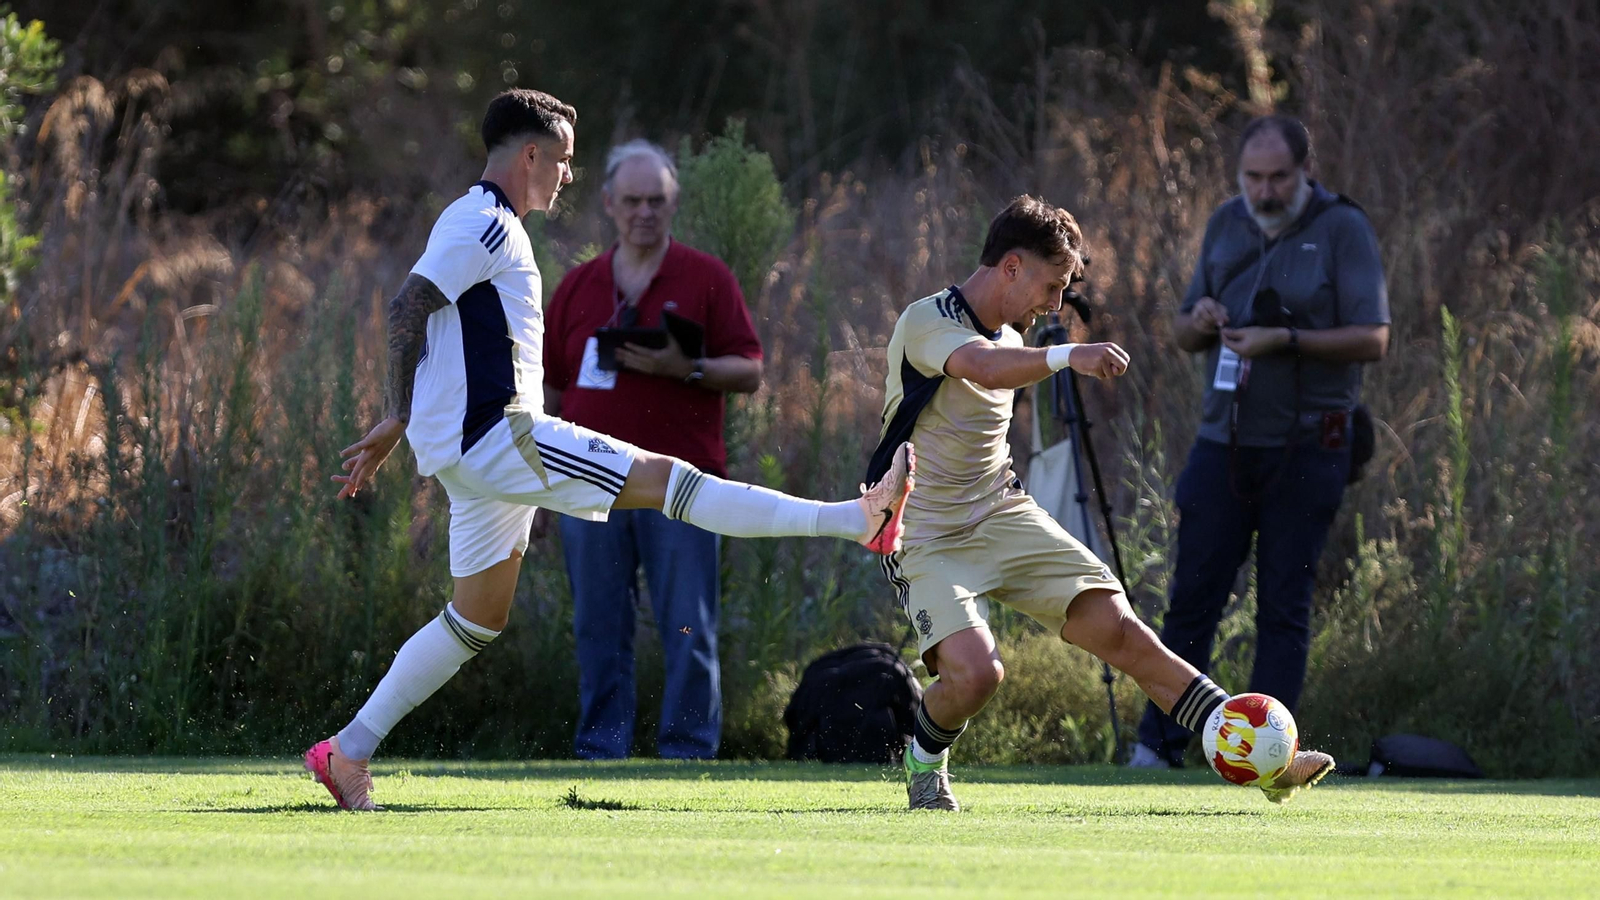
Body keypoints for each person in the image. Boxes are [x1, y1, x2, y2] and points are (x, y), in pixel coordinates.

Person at [303, 89, 915, 811]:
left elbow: (429, 320)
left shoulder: (484, 221)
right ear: (530, 155)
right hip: (502, 438)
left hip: (471, 456)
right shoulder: (485, 223)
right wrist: (396, 412)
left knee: (476, 618)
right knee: (672, 481)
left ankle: (347, 752)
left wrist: (405, 420)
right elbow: (408, 305)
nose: (568, 174)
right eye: (562, 160)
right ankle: (858, 519)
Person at [871, 194, 1334, 811]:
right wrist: (1069, 356)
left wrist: (1051, 355)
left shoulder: (1013, 335)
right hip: (923, 531)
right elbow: (982, 367)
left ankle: (1262, 760)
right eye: (1052, 284)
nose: (1056, 304)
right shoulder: (928, 321)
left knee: (1125, 634)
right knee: (978, 675)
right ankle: (925, 761)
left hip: (1003, 515)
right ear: (1011, 266)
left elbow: (1003, 360)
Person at [1130, 114, 1389, 769]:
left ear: (1306, 173)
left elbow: (1373, 337)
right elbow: (1183, 330)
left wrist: (1288, 341)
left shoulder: (1343, 229)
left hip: (1310, 447)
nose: (1265, 191)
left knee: (1283, 603)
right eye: (1253, 177)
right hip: (1225, 442)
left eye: (1279, 177)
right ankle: (1157, 750)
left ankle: (1267, 757)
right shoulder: (1225, 223)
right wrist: (1203, 319)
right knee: (1193, 597)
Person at [541, 139, 762, 760]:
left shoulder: (705, 278)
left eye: (656, 200)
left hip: (681, 487)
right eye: (632, 200)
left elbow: (749, 371)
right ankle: (601, 749)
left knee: (688, 624)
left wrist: (685, 368)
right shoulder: (578, 287)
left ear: (673, 203)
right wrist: (537, 486)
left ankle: (688, 750)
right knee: (598, 627)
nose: (645, 212)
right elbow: (552, 391)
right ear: (608, 203)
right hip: (589, 483)